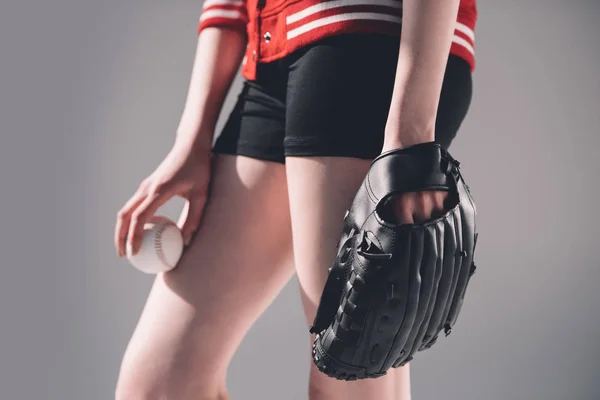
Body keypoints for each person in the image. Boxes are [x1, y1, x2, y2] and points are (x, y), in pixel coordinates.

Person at [114, 0, 477, 398]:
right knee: (161, 384)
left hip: (365, 40)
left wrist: (410, 140)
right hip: (271, 52)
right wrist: (193, 138)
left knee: (347, 377)